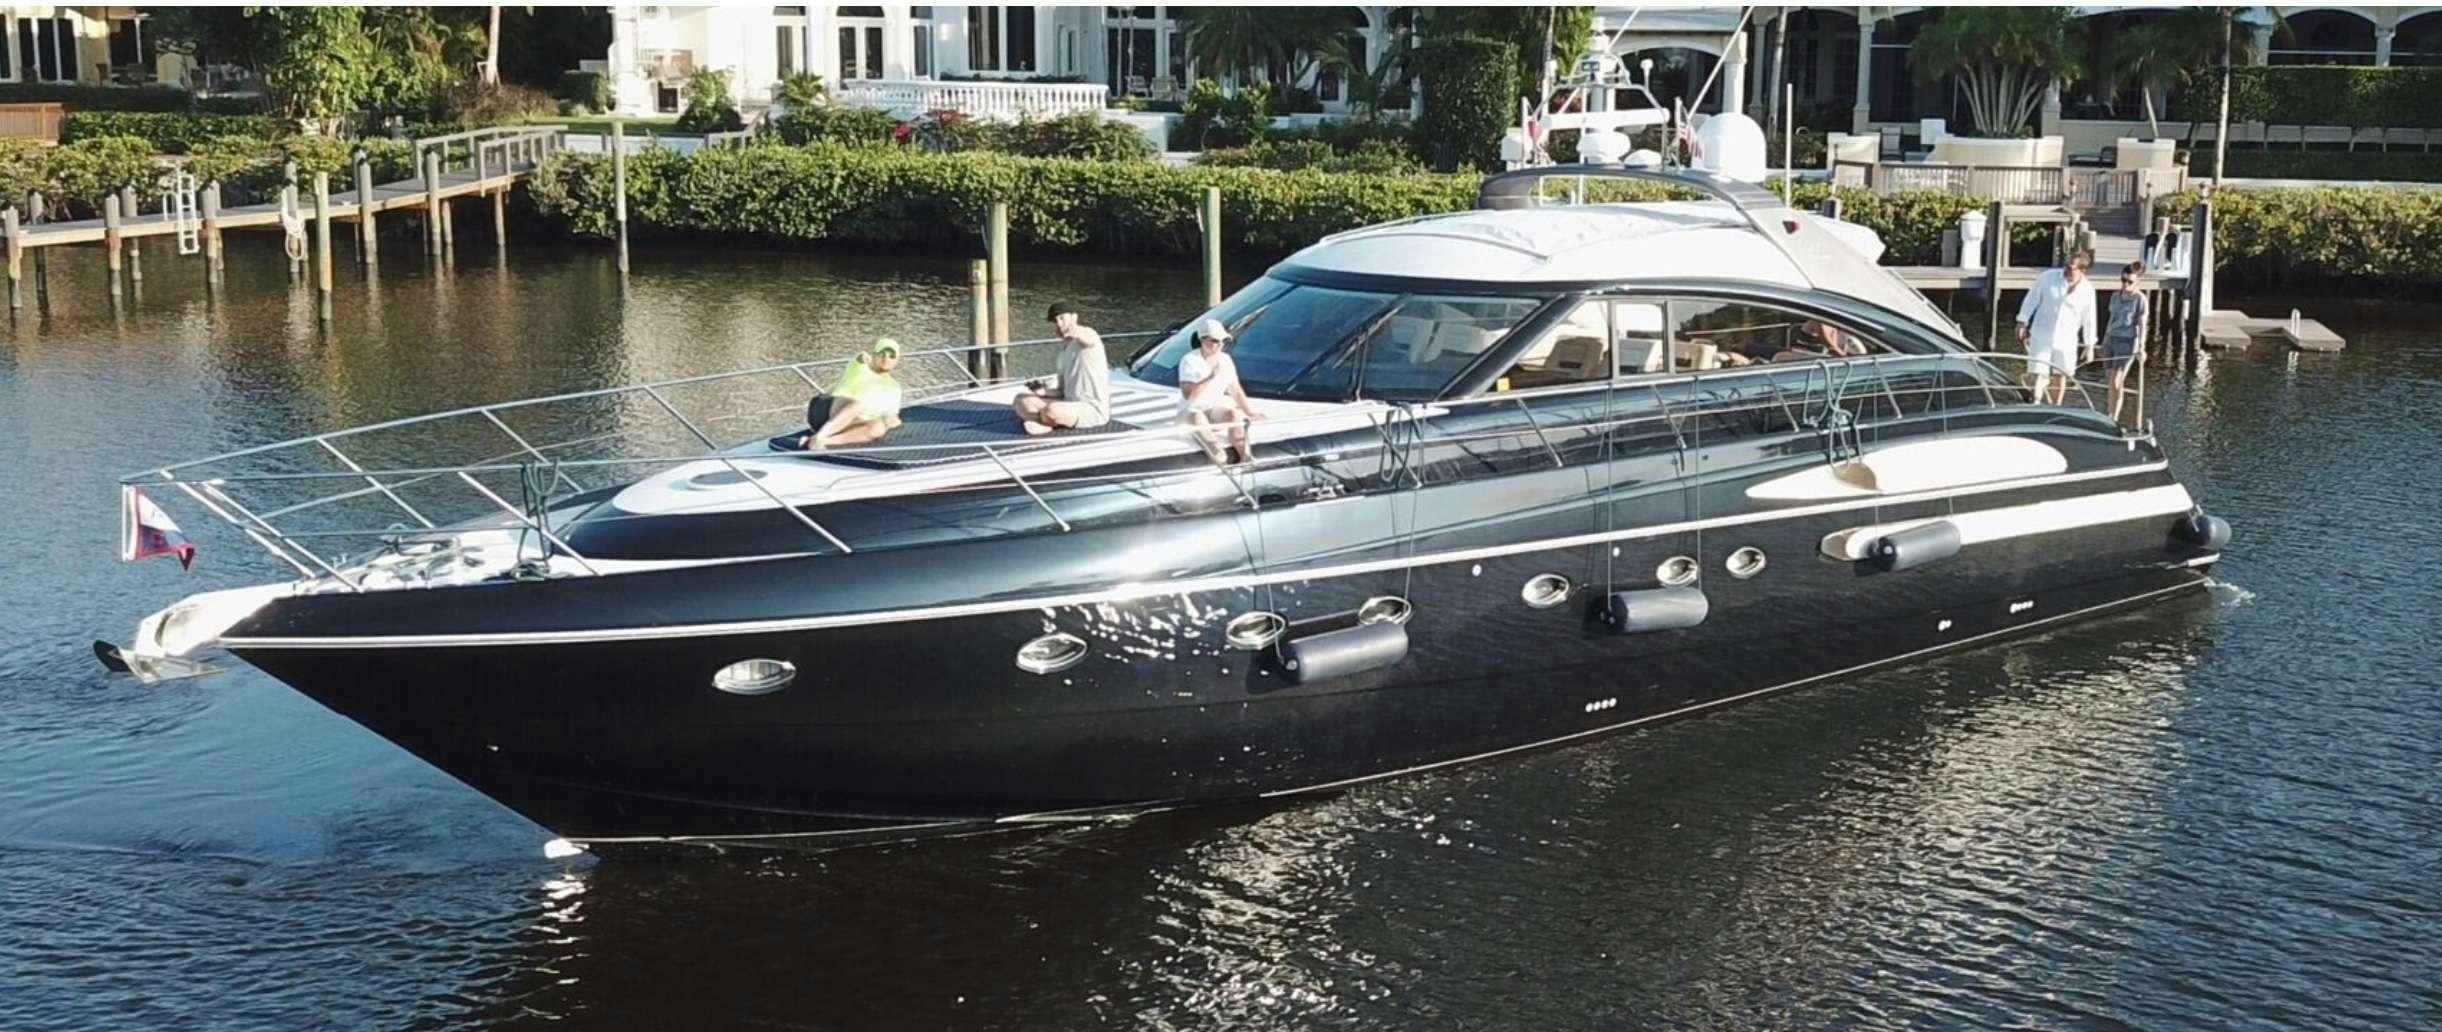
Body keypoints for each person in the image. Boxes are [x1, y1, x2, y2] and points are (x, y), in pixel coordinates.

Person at [1013, 302, 1111, 436]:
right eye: (1055, 321)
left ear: (1074, 317)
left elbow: (1088, 339)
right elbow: (1061, 392)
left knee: (1051, 410)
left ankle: (1046, 422)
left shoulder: (1088, 335)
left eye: (1062, 318)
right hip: (1068, 403)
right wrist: (1042, 391)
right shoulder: (1062, 355)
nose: (1059, 324)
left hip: (1092, 409)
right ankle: (1047, 422)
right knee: (1021, 401)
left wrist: (1075, 331)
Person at [2016, 251, 2097, 405]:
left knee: (2060, 376)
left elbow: (2090, 318)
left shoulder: (2087, 290)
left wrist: (2090, 345)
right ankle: (2035, 405)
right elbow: (2031, 299)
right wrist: (2022, 321)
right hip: (2042, 335)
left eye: (2071, 268)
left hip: (2066, 340)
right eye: (2066, 266)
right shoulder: (2047, 278)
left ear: (2082, 270)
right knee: (2038, 373)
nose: (2066, 270)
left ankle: (2055, 408)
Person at [1176, 318, 1260, 464]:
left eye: (1223, 341)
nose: (1220, 345)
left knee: (1234, 414)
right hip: (1190, 411)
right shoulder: (1189, 360)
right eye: (1215, 340)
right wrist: (1209, 378)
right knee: (1197, 417)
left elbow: (1235, 389)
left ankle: (1246, 457)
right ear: (1203, 340)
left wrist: (1250, 412)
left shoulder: (1226, 359)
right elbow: (1188, 394)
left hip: (1213, 408)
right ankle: (1217, 454)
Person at [798, 338, 904, 450]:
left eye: (891, 356)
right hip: (826, 411)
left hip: (852, 421)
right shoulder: (861, 368)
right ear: (874, 355)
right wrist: (861, 359)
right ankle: (821, 435)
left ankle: (817, 441)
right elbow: (860, 358)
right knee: (858, 404)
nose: (886, 358)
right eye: (882, 353)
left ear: (896, 360)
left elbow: (892, 416)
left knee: (878, 428)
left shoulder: (894, 387)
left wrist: (890, 422)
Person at [2102, 262, 2149, 424]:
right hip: (2111, 339)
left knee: (2117, 381)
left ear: (2137, 282)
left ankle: (2114, 418)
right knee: (2110, 380)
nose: (2125, 284)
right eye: (2123, 280)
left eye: (2129, 282)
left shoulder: (2140, 299)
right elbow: (2111, 318)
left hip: (2127, 341)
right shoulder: (2116, 296)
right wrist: (2104, 340)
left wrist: (2142, 347)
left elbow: (2142, 323)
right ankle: (2109, 413)